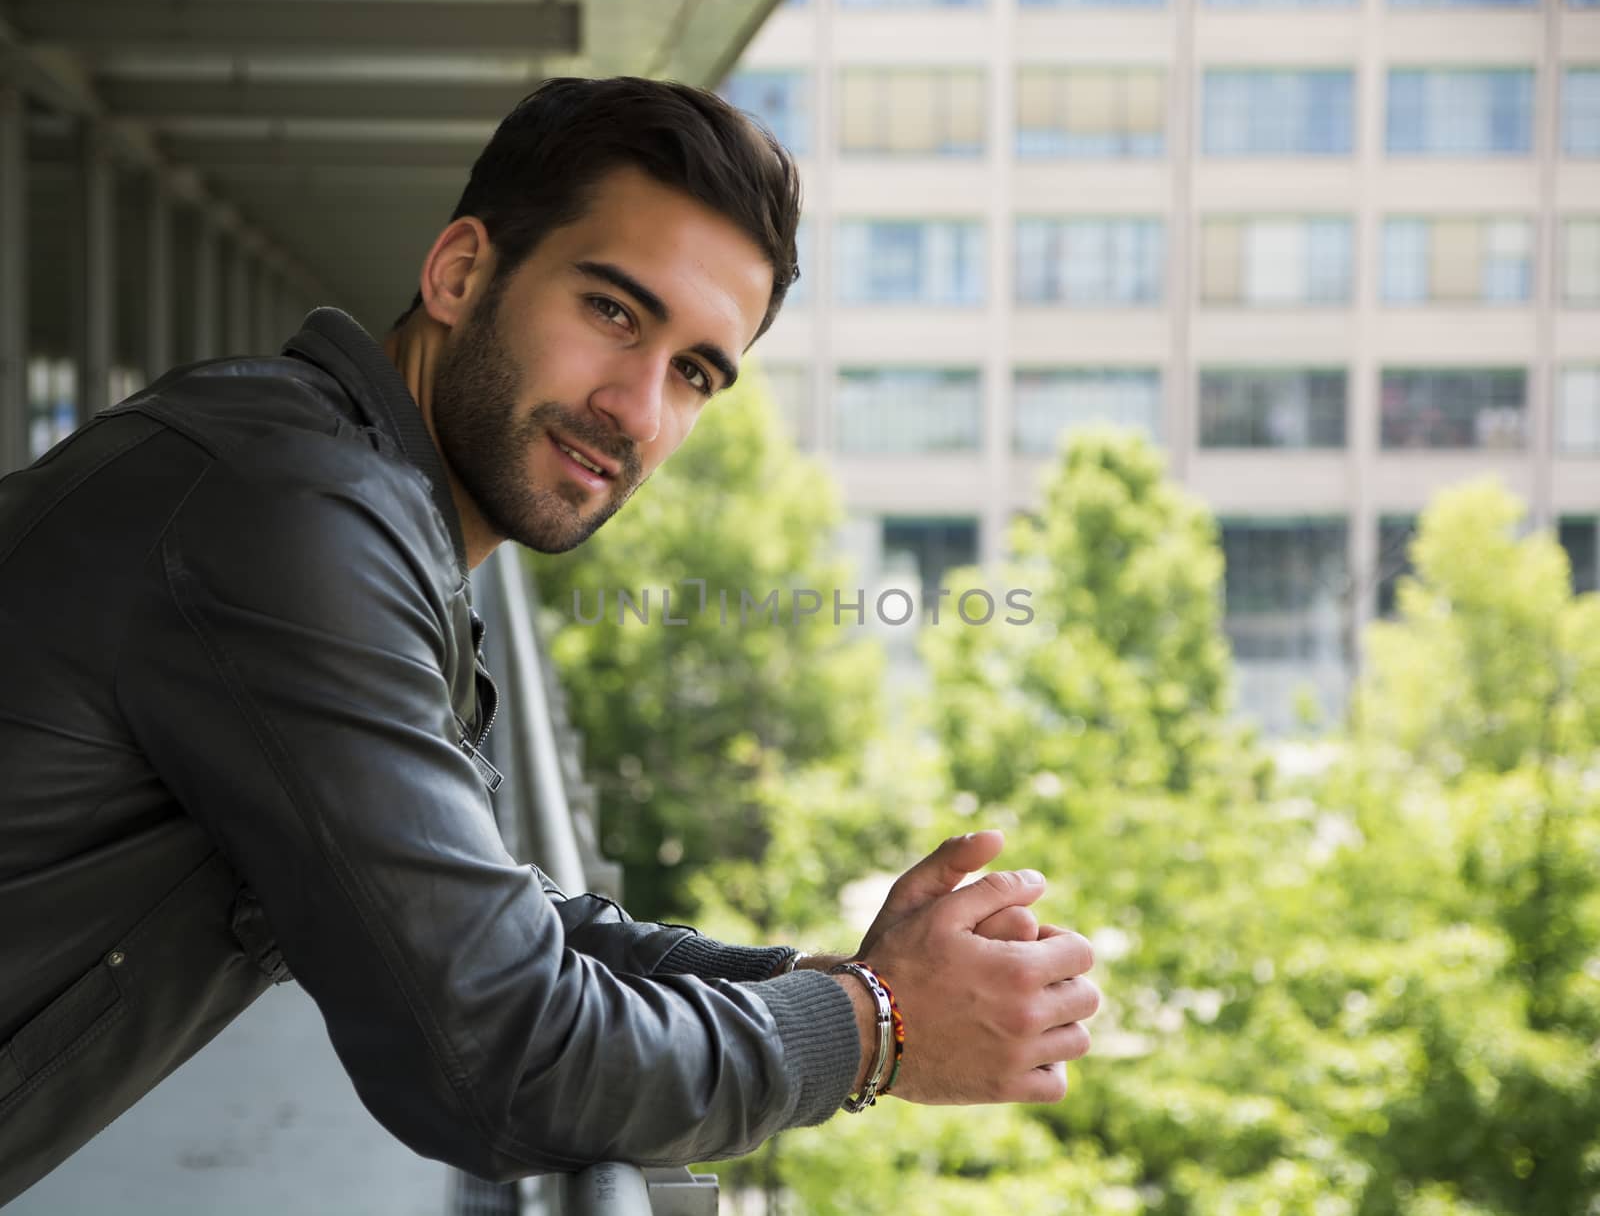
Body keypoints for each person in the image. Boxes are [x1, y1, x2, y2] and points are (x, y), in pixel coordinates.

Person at [0, 77, 1098, 1204]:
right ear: (461, 272)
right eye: (613, 312)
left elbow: (496, 916)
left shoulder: (350, 496)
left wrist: (833, 982)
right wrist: (877, 1028)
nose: (637, 407)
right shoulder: (289, 516)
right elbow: (505, 1056)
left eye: (694, 372)